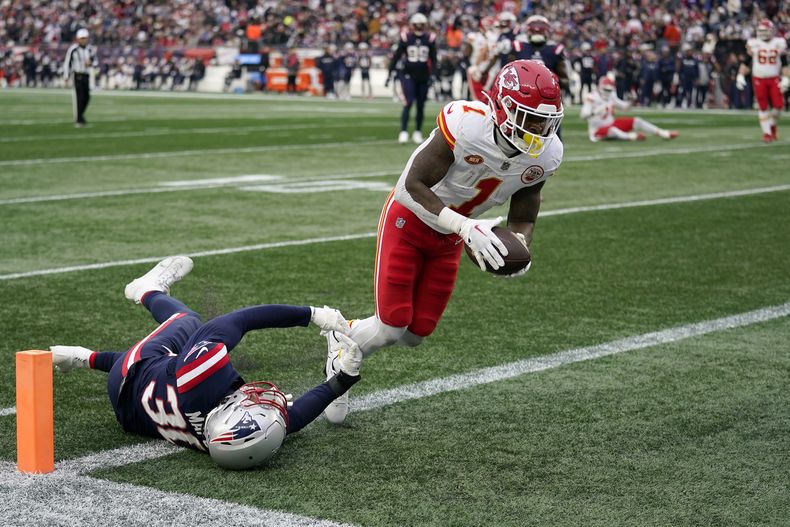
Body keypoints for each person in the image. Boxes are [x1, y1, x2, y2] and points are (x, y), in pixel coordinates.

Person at [323, 60, 564, 424]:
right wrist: (464, 227)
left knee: (416, 333)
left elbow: (525, 212)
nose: (539, 131)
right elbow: (408, 187)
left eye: (546, 122)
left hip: (452, 235)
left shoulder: (546, 155)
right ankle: (341, 358)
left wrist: (521, 244)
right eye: (530, 119)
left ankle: (346, 334)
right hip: (409, 220)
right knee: (392, 325)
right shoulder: (465, 124)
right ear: (503, 106)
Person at [50, 256, 362, 470]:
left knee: (187, 321)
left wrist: (312, 314)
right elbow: (293, 418)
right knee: (163, 363)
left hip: (135, 371)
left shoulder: (201, 373)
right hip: (131, 413)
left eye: (254, 405)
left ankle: (146, 290)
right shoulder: (224, 438)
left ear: (230, 411)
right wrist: (343, 379)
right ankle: (82, 357)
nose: (263, 401)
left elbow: (242, 319)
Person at [387, 13, 438, 144]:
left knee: (420, 105)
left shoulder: (430, 38)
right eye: (417, 24)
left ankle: (417, 132)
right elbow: (397, 56)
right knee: (408, 102)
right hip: (408, 74)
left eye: (421, 25)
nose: (419, 27)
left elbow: (434, 59)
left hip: (423, 75)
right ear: (412, 25)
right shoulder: (406, 38)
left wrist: (433, 75)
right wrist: (390, 73)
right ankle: (403, 131)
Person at [581, 75, 678, 142]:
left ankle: (663, 133)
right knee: (613, 130)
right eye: (606, 89)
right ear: (600, 87)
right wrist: (595, 112)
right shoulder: (592, 97)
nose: (608, 92)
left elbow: (624, 107)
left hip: (611, 124)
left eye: (610, 90)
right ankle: (633, 137)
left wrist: (631, 101)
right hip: (597, 129)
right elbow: (583, 115)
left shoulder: (611, 96)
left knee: (637, 120)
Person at [737, 19, 788, 142]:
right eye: (761, 31)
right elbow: (746, 62)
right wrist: (740, 75)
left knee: (778, 106)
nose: (763, 33)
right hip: (759, 78)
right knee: (763, 107)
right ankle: (767, 134)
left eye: (765, 31)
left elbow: (785, 63)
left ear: (772, 31)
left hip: (775, 77)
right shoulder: (753, 43)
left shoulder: (779, 43)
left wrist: (786, 77)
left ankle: (772, 126)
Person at [63, 28, 96, 128]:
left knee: (86, 97)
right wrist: (66, 76)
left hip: (86, 75)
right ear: (78, 39)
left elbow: (95, 61)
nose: (84, 40)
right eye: (82, 38)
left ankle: (81, 115)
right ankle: (78, 119)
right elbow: (67, 63)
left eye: (85, 38)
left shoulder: (90, 49)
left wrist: (90, 63)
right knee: (79, 98)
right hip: (77, 75)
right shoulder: (73, 49)